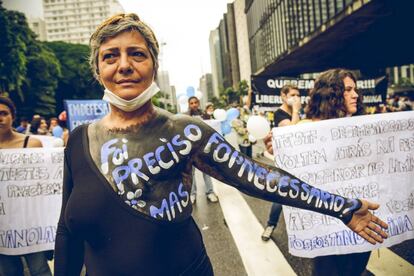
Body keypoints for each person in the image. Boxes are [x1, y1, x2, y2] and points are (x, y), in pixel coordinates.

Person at [54, 14, 388, 276]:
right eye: (110, 56)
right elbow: (66, 233)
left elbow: (259, 177)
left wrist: (341, 207)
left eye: (137, 54)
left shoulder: (185, 131)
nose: (124, 65)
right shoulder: (79, 140)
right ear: (98, 70)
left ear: (154, 65)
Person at [263, 69, 375, 276]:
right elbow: (291, 176)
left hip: (361, 217)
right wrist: (280, 149)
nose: (355, 95)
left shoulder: (365, 127)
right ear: (331, 94)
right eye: (348, 90)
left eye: (355, 90)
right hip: (326, 225)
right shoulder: (305, 130)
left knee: (356, 269)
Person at [0, 96, 51, 276]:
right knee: (8, 271)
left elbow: (45, 185)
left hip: (29, 223)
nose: (0, 118)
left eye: (3, 113)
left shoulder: (32, 144)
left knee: (40, 270)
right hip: (2, 225)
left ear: (12, 116)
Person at [261, 84, 301, 241]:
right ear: (283, 96)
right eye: (292, 95)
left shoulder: (296, 112)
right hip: (285, 162)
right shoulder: (280, 113)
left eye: (298, 95)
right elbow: (292, 132)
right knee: (281, 195)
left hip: (299, 161)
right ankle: (271, 225)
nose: (296, 98)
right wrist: (296, 110)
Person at [185, 96, 219, 204]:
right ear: (189, 104)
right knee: (191, 173)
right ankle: (192, 194)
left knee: (207, 171)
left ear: (198, 103)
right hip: (190, 149)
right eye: (191, 103)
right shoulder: (185, 116)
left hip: (203, 147)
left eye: (195, 102)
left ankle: (210, 192)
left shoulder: (205, 115)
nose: (194, 104)